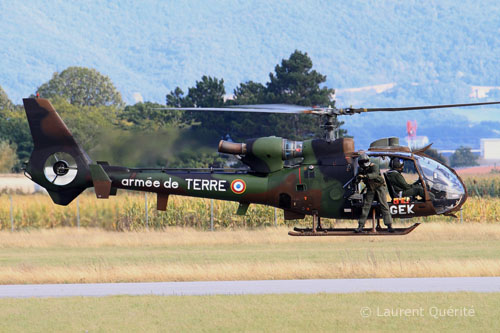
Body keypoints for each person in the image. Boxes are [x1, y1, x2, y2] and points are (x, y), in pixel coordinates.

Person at [355, 153, 394, 233]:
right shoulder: (361, 169)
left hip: (379, 187)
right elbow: (358, 177)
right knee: (366, 206)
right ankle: (360, 226)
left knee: (384, 205)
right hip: (370, 188)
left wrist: (365, 176)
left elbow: (374, 175)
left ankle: (389, 225)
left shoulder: (374, 166)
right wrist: (357, 179)